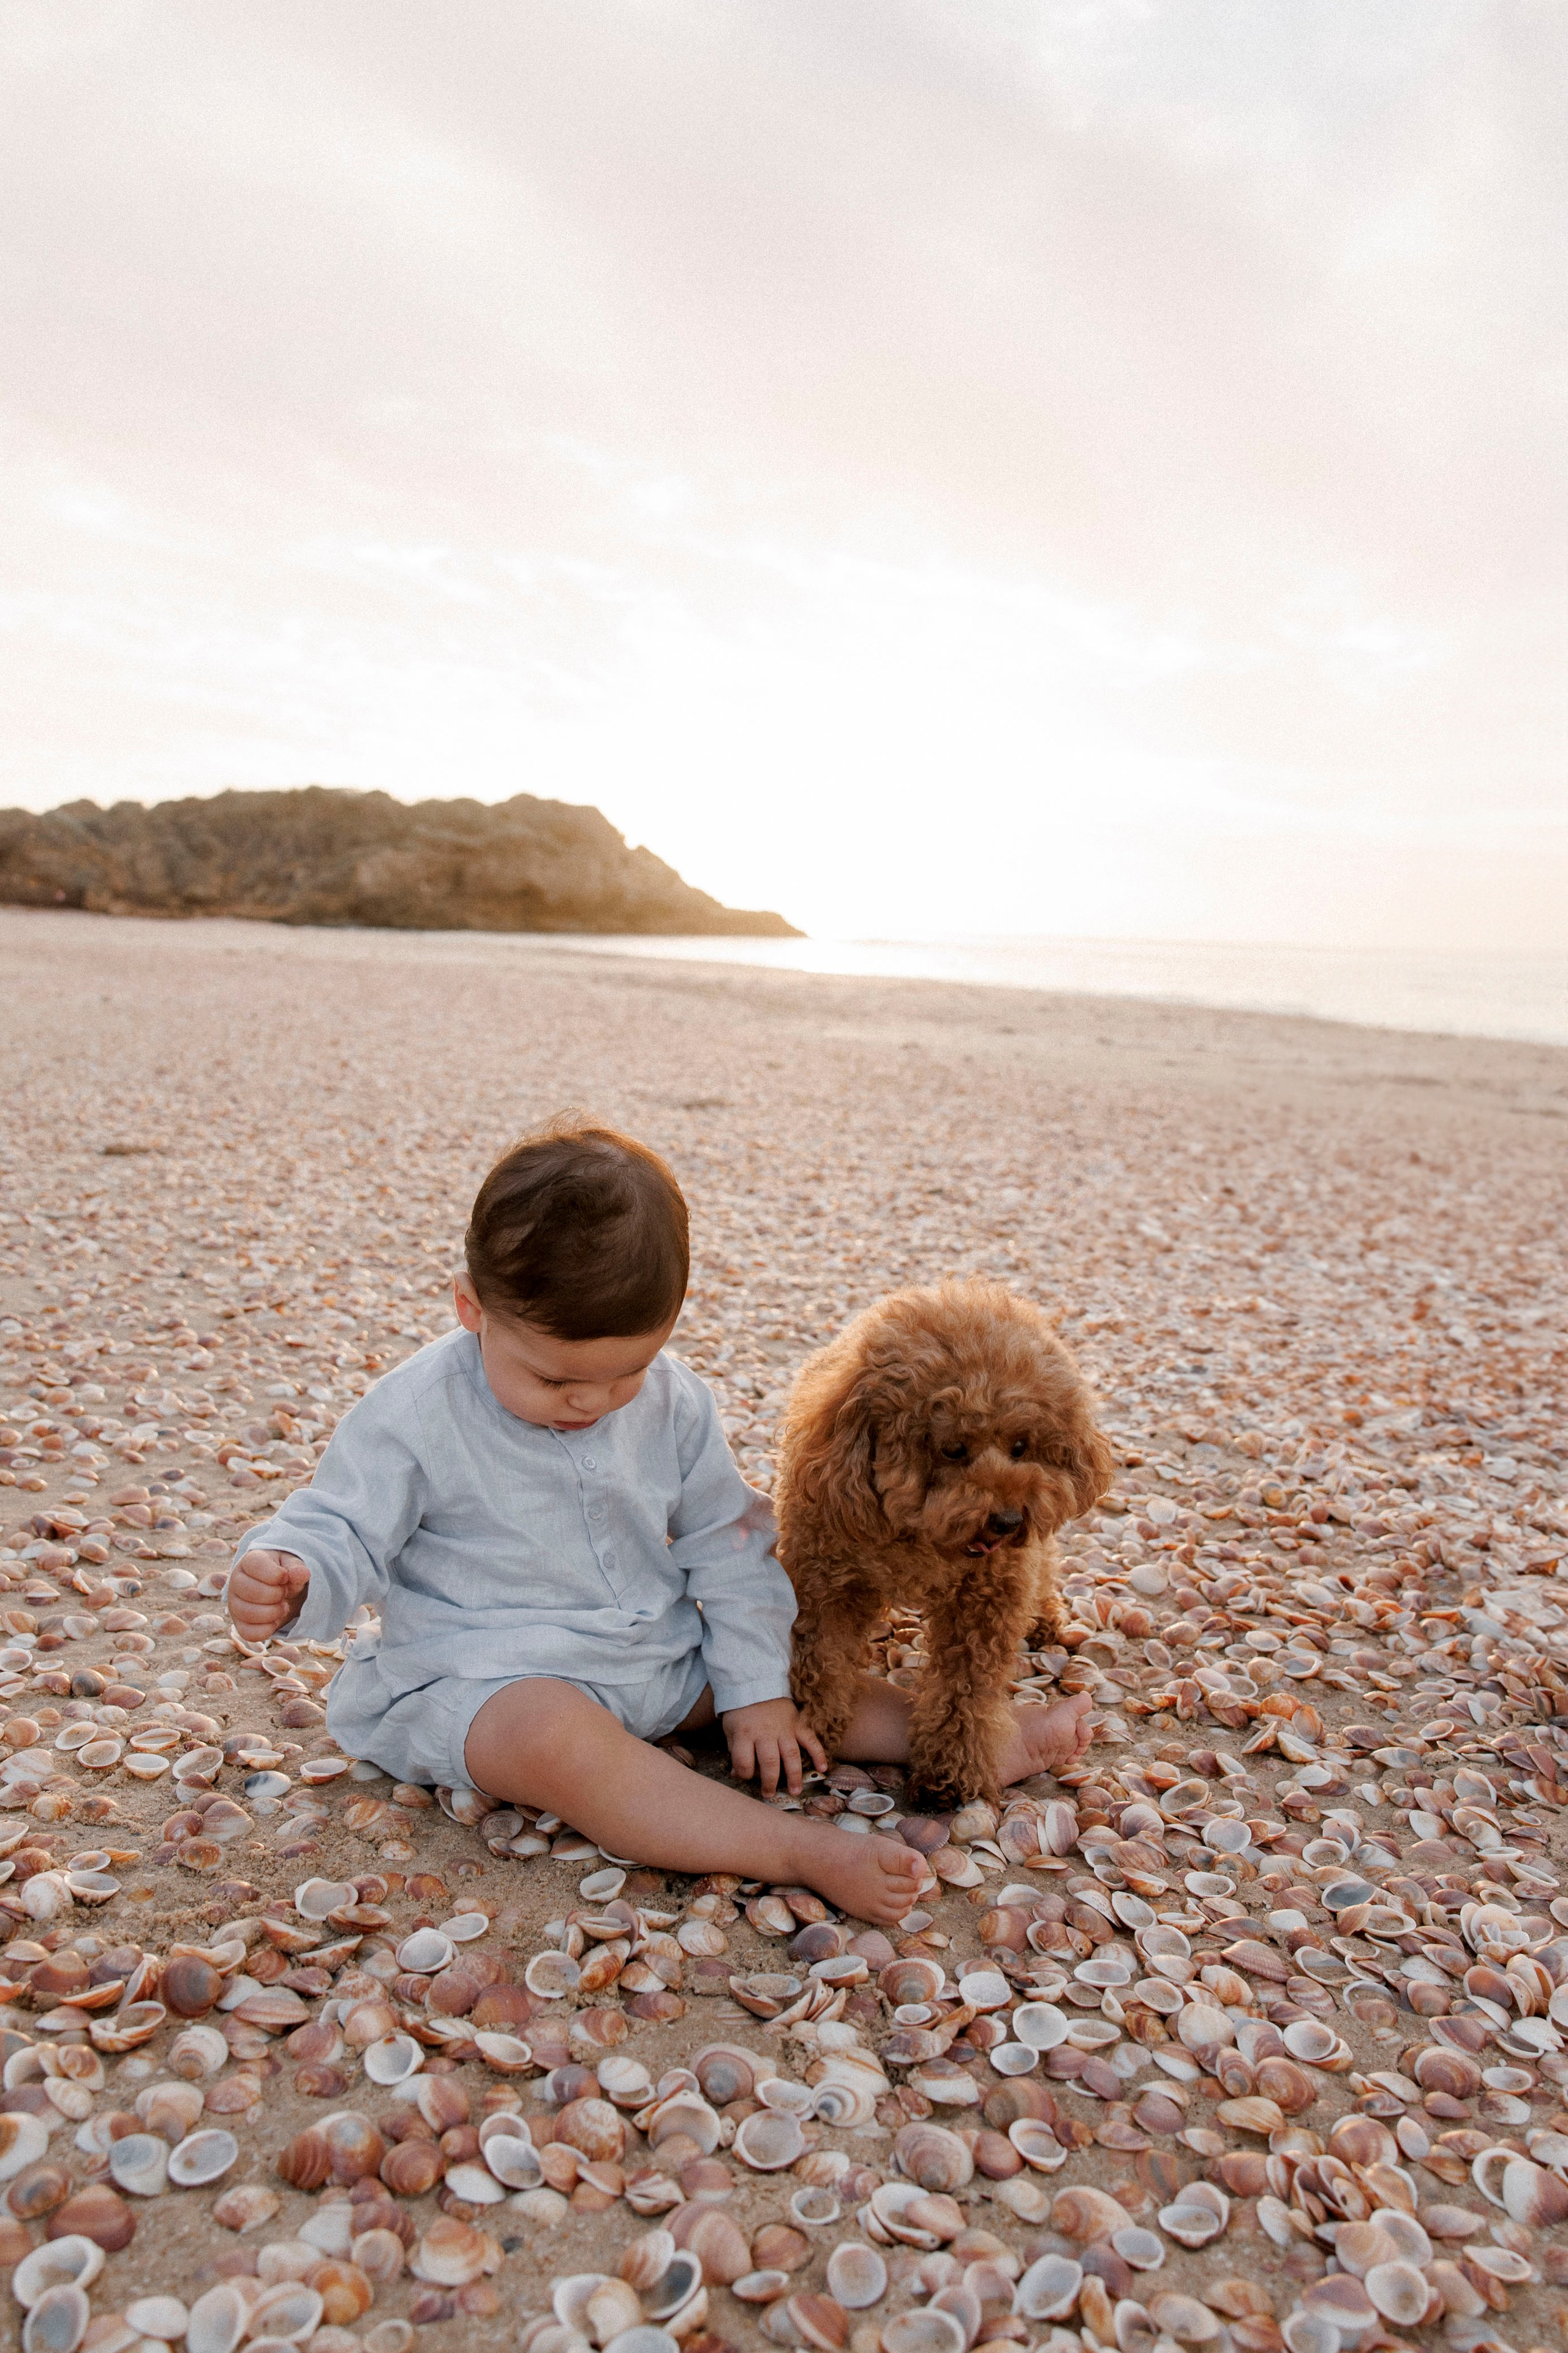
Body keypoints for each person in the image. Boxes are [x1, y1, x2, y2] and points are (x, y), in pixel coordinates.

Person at [227, 1116, 1092, 1922]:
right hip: (490, 1674)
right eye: (556, 1381)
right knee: (562, 1746)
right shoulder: (415, 1411)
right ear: (471, 1309)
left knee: (792, 1680)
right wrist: (296, 1570)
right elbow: (343, 1519)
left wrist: (754, 1691)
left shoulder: (675, 1402)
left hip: (649, 1650)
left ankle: (981, 1743)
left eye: (625, 1372)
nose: (592, 1402)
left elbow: (733, 1542)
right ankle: (792, 1847)